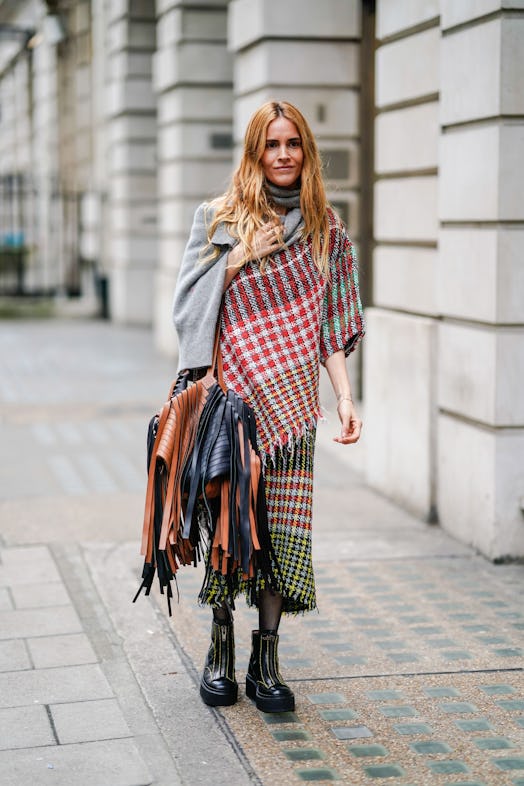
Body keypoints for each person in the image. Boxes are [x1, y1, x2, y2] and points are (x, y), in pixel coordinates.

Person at [172, 100, 364, 713]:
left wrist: (345, 396)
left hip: (293, 411)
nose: (283, 155)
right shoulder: (219, 217)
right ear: (255, 152)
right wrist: (240, 258)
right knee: (232, 532)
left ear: (306, 152)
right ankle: (220, 652)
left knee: (281, 536)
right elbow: (187, 305)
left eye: (294, 144)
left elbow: (331, 325)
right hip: (233, 404)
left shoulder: (326, 229)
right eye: (271, 144)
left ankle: (267, 661)